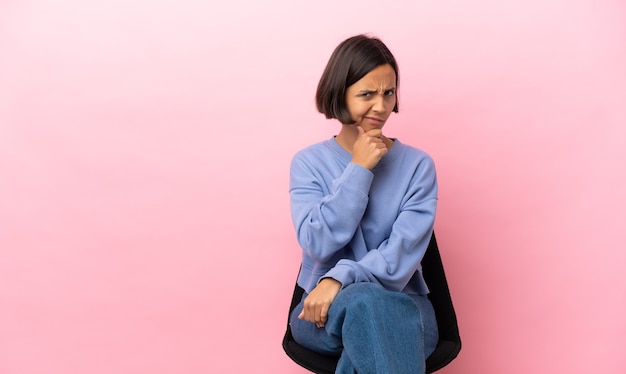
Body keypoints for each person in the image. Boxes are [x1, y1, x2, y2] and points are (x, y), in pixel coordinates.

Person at [288, 34, 439, 374]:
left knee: (368, 314)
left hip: (406, 307)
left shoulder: (417, 166)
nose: (381, 106)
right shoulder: (308, 163)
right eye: (367, 94)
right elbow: (317, 241)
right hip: (320, 313)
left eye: (389, 92)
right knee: (365, 310)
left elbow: (400, 255)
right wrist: (358, 169)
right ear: (339, 93)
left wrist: (338, 278)